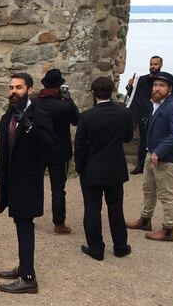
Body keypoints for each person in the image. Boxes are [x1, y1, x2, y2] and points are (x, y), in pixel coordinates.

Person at [0, 73, 52, 294]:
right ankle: (24, 267)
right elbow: (8, 145)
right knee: (20, 224)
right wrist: (1, 169)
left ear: (29, 89)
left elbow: (48, 145)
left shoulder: (39, 113)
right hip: (13, 179)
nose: (13, 91)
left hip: (28, 181)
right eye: (11, 87)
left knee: (25, 227)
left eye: (18, 87)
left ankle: (28, 279)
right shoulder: (9, 113)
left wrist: (28, 124)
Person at [74, 77, 133, 260]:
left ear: (94, 94)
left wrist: (79, 167)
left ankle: (96, 248)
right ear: (112, 92)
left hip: (92, 169)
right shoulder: (123, 113)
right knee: (116, 208)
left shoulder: (86, 117)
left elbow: (80, 146)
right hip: (115, 168)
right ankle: (120, 247)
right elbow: (128, 138)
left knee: (92, 208)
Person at [126, 72, 173, 242]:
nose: (157, 88)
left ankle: (168, 230)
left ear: (170, 89)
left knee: (166, 194)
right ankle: (145, 220)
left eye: (161, 85)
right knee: (148, 189)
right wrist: (151, 151)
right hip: (151, 154)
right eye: (155, 85)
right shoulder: (155, 104)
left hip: (166, 158)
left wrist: (159, 152)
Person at [125, 56, 173, 174]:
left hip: (162, 116)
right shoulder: (142, 79)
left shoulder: (167, 79)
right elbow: (134, 95)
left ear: (161, 65)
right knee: (144, 142)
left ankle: (160, 163)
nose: (152, 66)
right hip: (146, 116)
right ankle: (141, 166)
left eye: (155, 64)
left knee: (160, 139)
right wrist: (130, 86)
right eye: (151, 64)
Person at [32, 69, 79, 234]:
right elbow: (76, 120)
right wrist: (69, 100)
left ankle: (28, 217)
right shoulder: (64, 105)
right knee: (58, 189)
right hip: (59, 151)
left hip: (38, 149)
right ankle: (59, 224)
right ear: (59, 86)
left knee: (33, 185)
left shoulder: (35, 102)